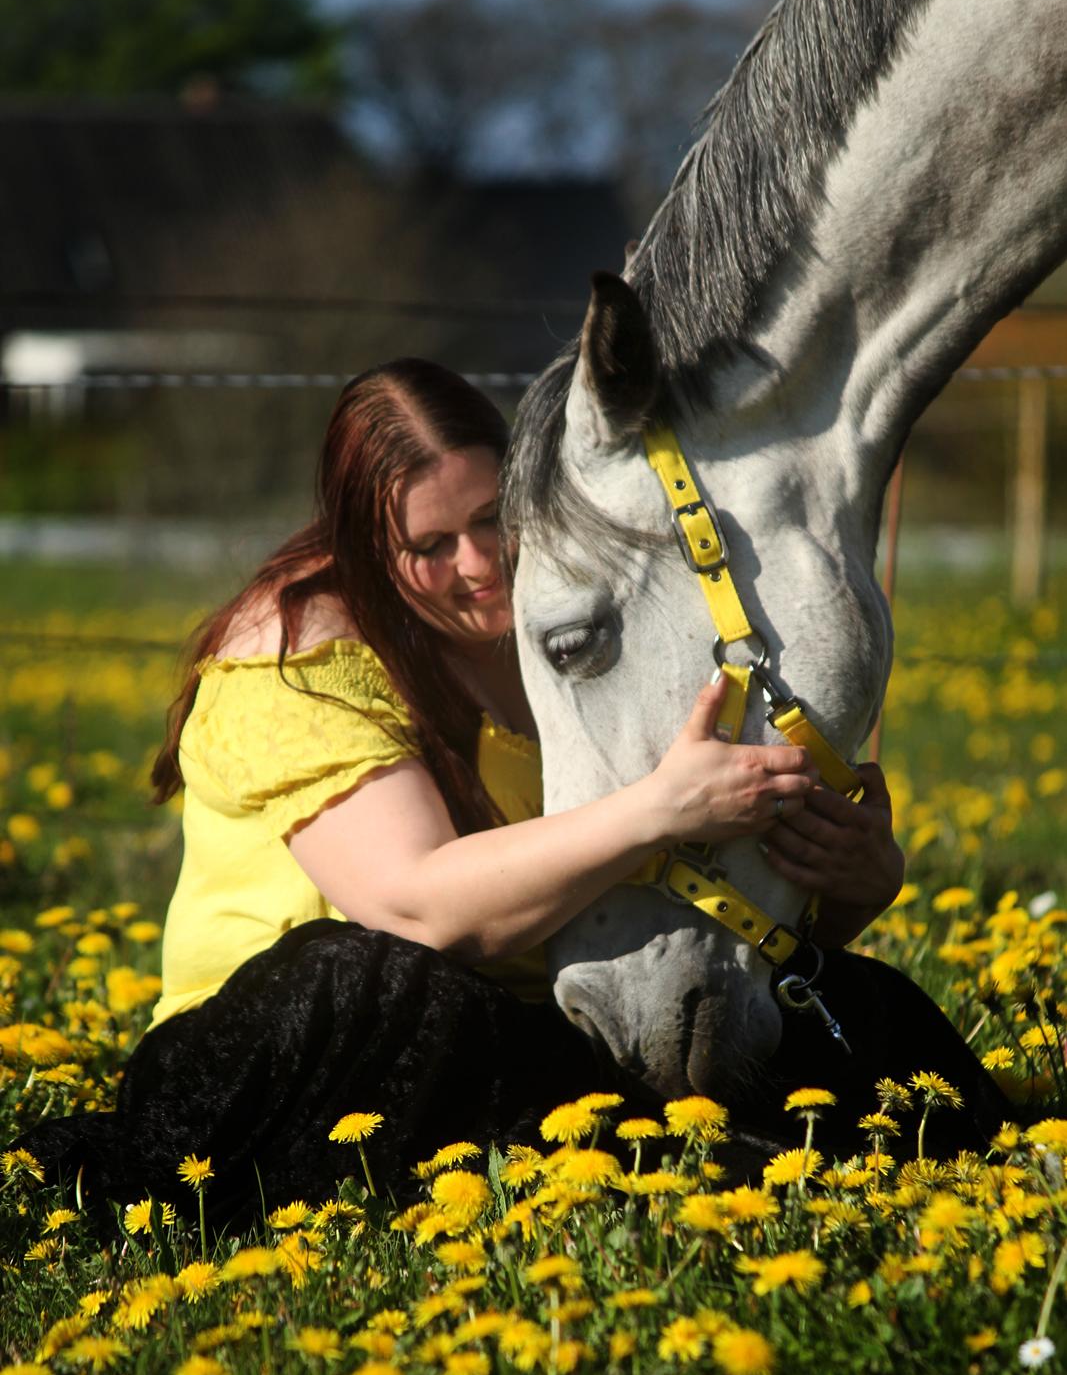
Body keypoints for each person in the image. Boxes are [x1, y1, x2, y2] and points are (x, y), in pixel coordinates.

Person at [18, 359, 1008, 1230]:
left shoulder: (572, 623)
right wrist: (661, 807)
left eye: (495, 518)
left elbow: (688, 893)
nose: (480, 564)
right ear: (369, 547)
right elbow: (420, 909)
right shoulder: (295, 655)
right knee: (375, 979)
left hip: (532, 1021)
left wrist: (856, 877)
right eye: (431, 544)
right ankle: (661, 1168)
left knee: (855, 1007)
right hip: (297, 1053)